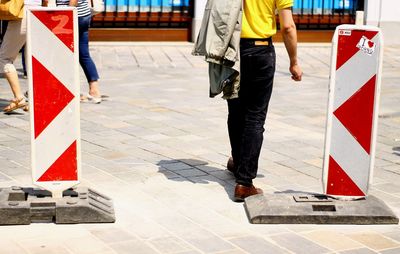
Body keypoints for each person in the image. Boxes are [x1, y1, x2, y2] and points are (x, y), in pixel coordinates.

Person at [227, 0, 303, 202]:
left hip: (231, 51)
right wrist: (294, 61)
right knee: (254, 117)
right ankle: (244, 183)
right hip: (260, 51)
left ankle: (238, 162)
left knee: (235, 111)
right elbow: (287, 26)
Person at [0, 0, 43, 113]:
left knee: (5, 58)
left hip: (21, 12)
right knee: (32, 59)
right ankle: (35, 100)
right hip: (38, 12)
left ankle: (19, 97)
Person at [56, 0, 102, 103]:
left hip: (72, 15)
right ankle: (94, 90)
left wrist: (67, 12)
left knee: (63, 54)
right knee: (84, 54)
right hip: (83, 14)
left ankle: (65, 90)